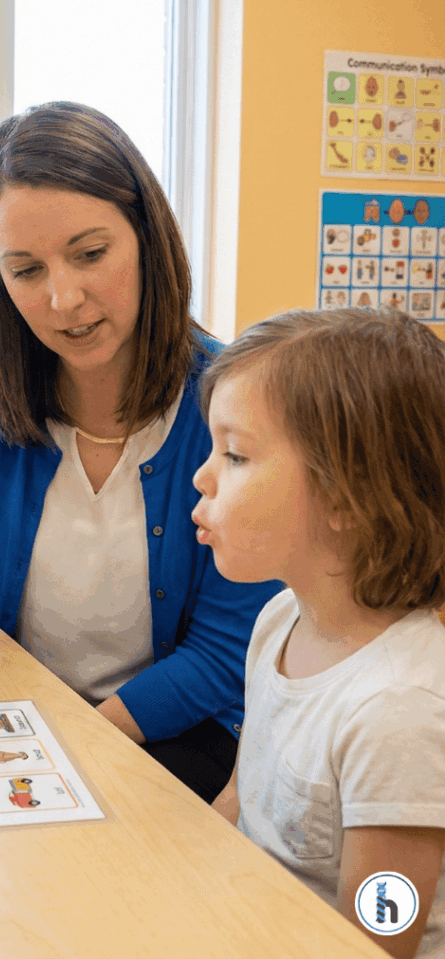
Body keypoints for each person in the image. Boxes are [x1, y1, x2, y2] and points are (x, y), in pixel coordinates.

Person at [0, 101, 280, 803]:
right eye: (25, 271)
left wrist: (63, 750)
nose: (64, 299)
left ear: (147, 236)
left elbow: (224, 648)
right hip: (19, 723)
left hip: (180, 732)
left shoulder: (231, 398)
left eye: (90, 255)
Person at [196, 307, 445, 958]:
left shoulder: (398, 716)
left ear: (347, 496)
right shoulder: (279, 619)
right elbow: (239, 801)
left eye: (236, 453)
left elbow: (381, 940)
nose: (202, 476)